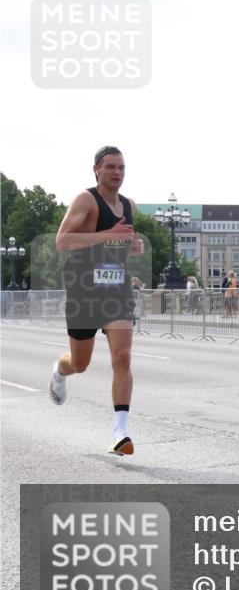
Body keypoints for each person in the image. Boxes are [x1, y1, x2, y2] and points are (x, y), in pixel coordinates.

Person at [48, 146, 145, 456]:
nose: (117, 172)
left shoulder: (129, 205)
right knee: (80, 363)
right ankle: (59, 371)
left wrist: (134, 247)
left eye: (121, 168)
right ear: (96, 170)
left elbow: (121, 244)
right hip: (83, 288)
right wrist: (108, 234)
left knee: (123, 357)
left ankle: (121, 431)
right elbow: (63, 241)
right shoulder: (86, 200)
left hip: (116, 286)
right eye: (110, 167)